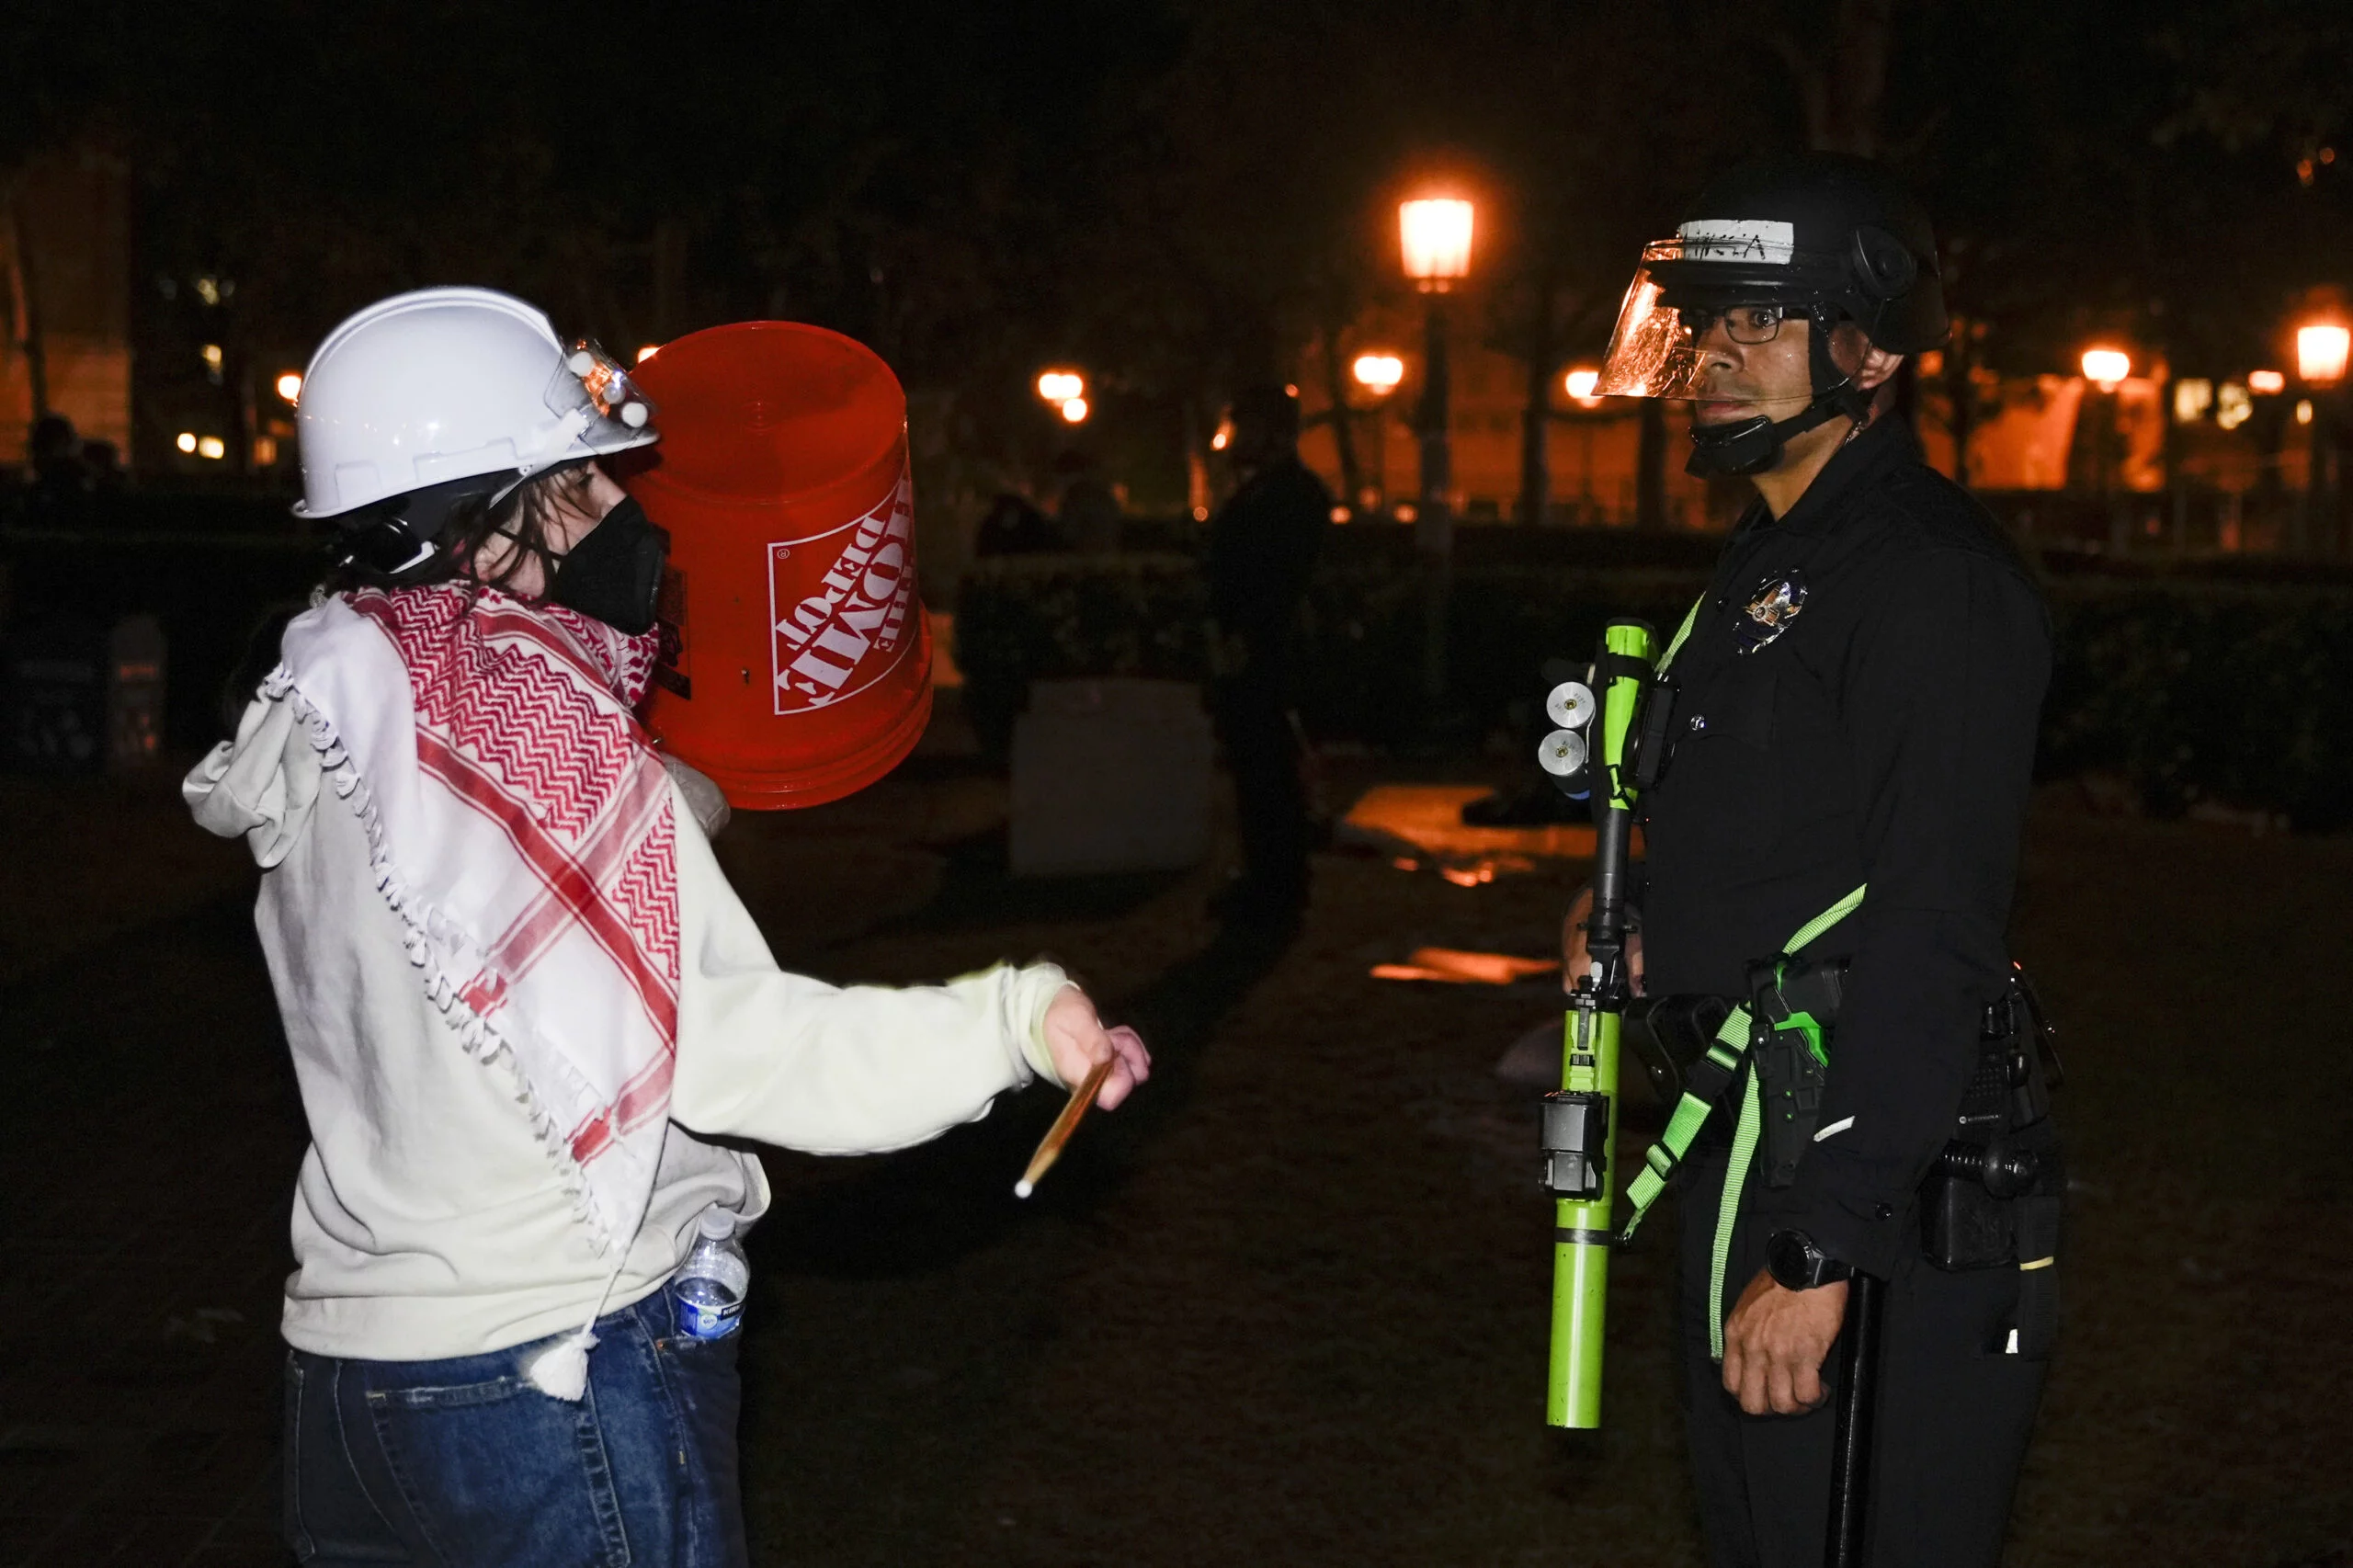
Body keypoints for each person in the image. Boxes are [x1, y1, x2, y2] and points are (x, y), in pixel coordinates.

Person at [185, 288, 1151, 1567]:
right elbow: (729, 1045)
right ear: (478, 532)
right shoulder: (548, 743)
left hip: (360, 1389)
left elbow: (489, 892)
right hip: (551, 1373)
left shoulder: (335, 709)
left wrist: (666, 793)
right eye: (578, 486)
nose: (624, 514)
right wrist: (1015, 1017)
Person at [1564, 155, 2054, 1567]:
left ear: (1877, 351)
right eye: (1706, 321)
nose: (1716, 357)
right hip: (1752, 1133)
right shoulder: (1778, 556)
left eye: (1761, 321)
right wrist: (1651, 918)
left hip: (1872, 1174)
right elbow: (1790, 832)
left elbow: (1935, 919)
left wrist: (1829, 1244)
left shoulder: (1928, 578)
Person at [1204, 383, 1330, 926]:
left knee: (1267, 767)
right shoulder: (1282, 490)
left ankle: (1275, 883)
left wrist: (1242, 637)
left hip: (1265, 651)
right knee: (1259, 766)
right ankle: (1270, 876)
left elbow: (1271, 579)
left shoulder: (1288, 495)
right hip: (1258, 649)